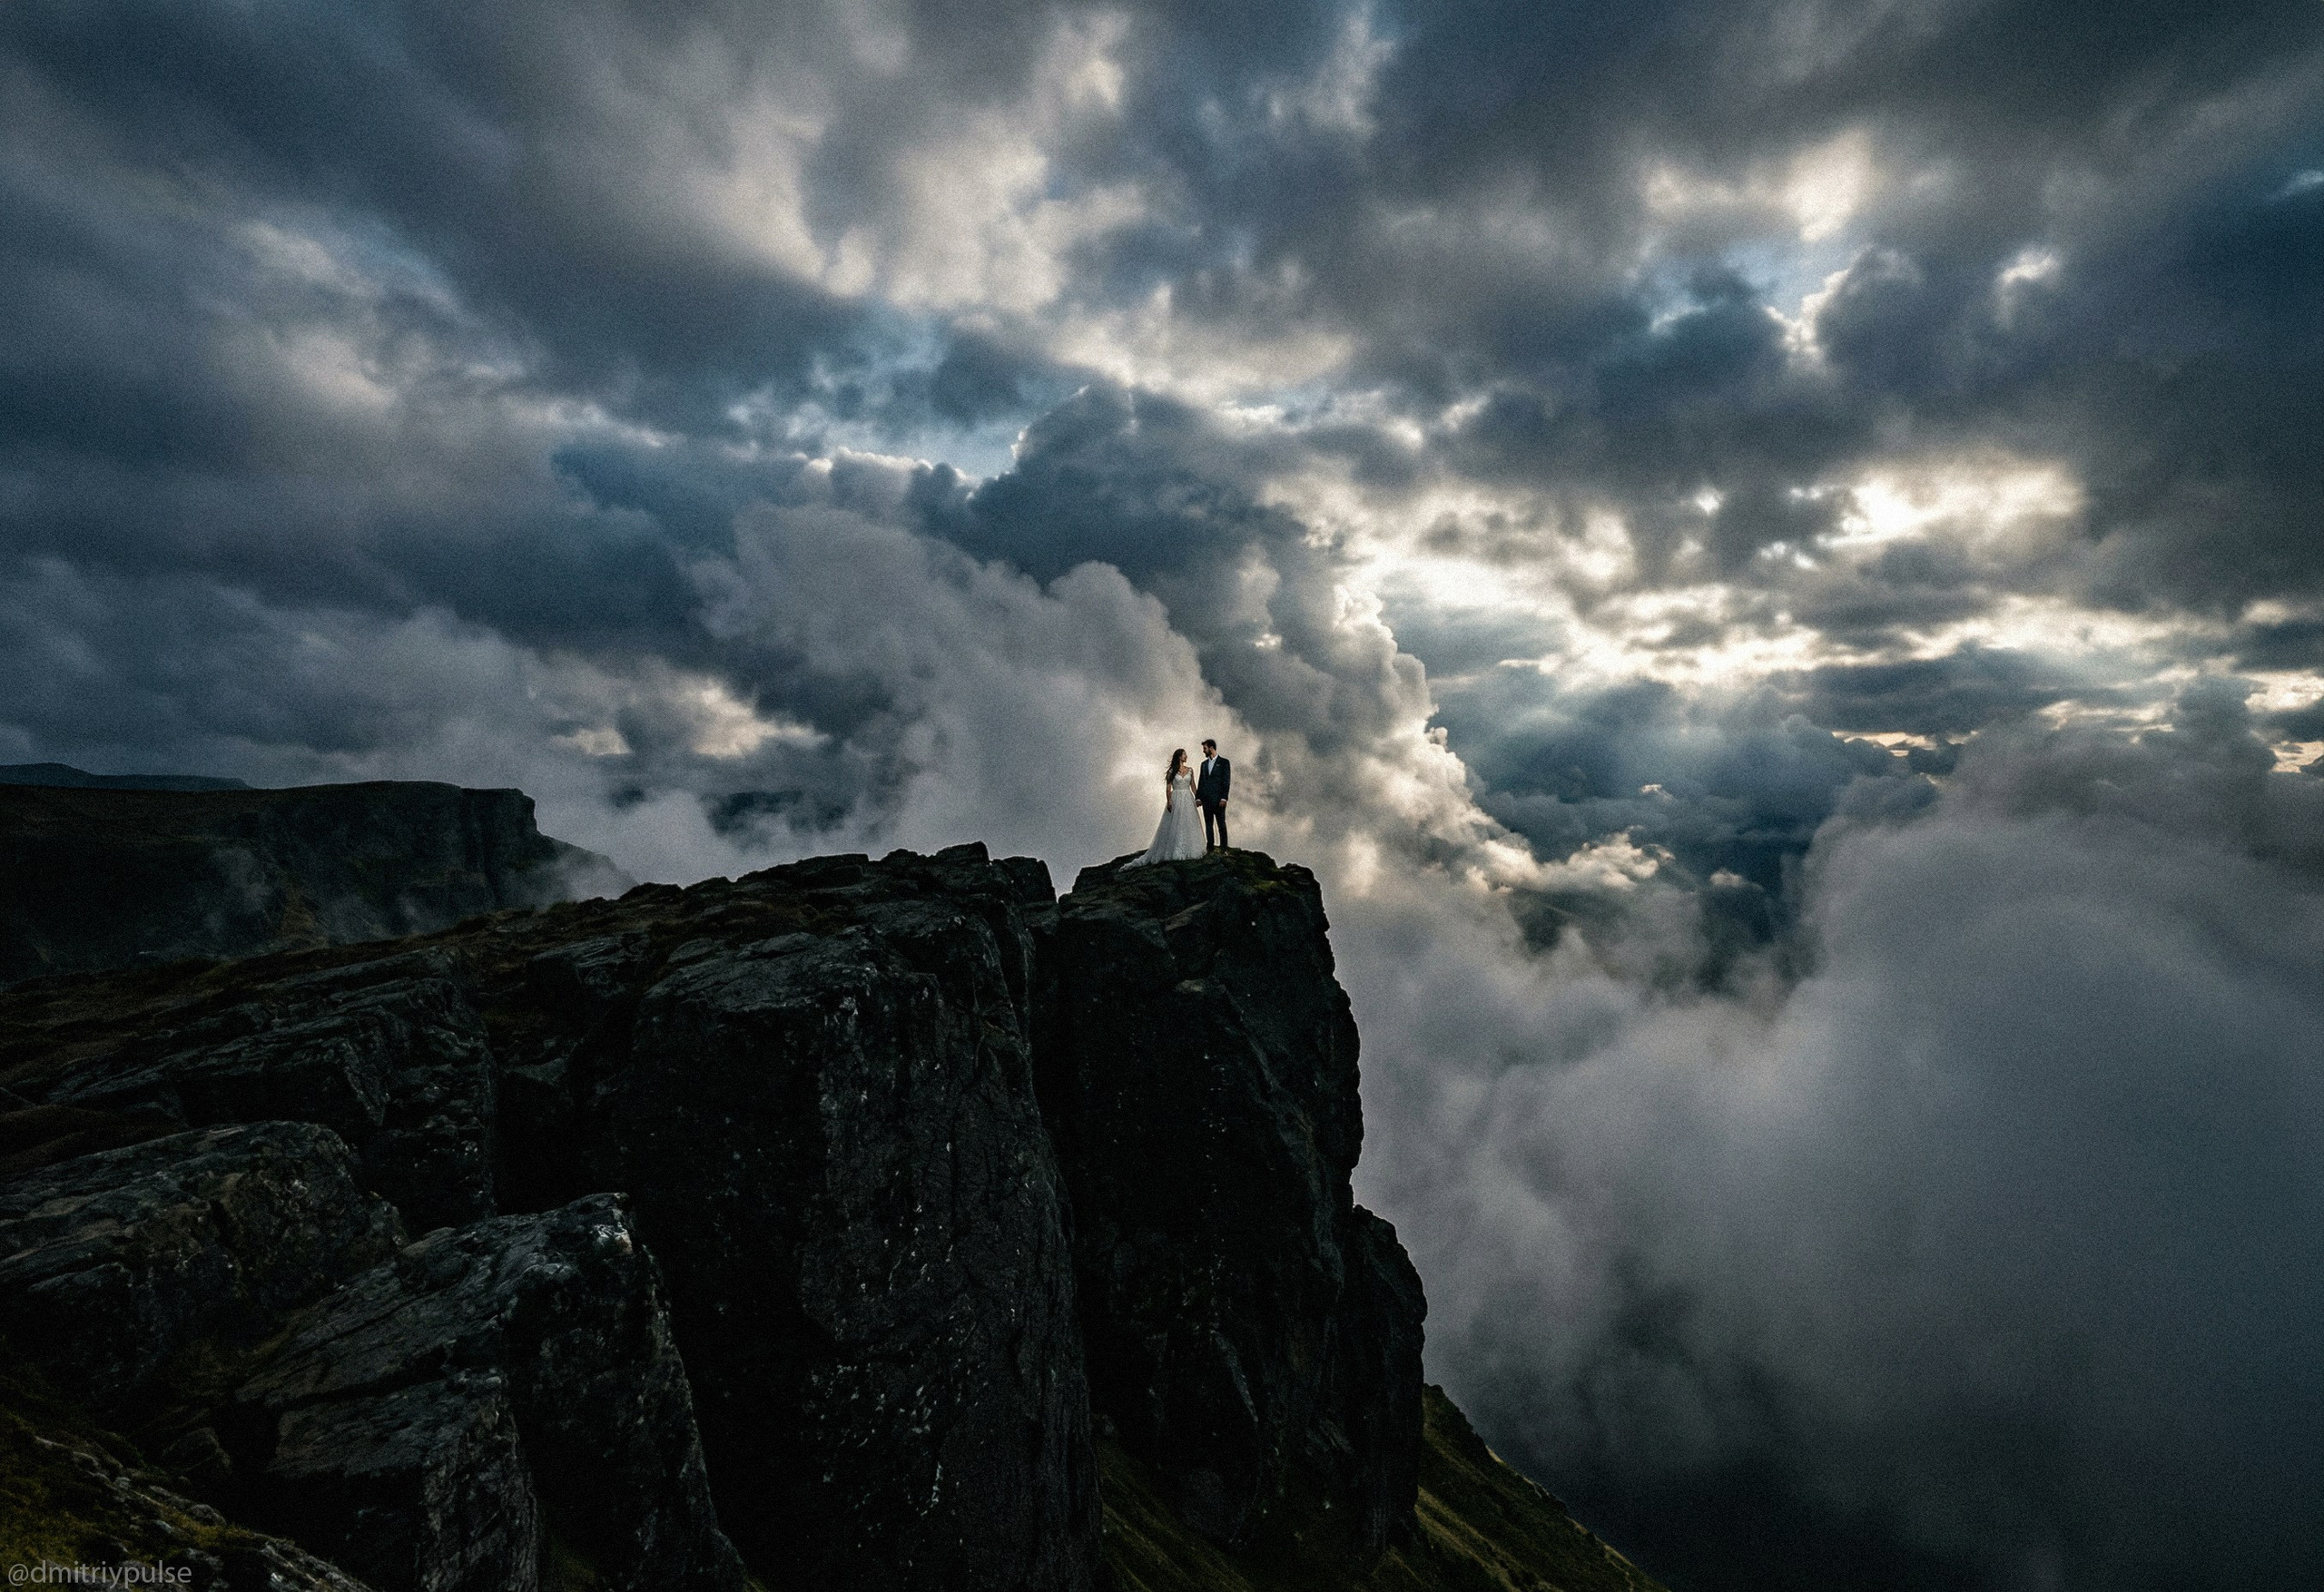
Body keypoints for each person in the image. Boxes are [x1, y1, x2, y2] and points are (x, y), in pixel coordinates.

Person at [1122, 747, 1206, 868]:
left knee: (1188, 821)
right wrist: (1169, 800)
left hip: (1187, 797)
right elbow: (1168, 788)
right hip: (1176, 796)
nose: (1186, 756)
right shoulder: (1171, 772)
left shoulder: (1190, 770)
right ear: (1179, 756)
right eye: (1184, 754)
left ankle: (1190, 847)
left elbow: (1193, 786)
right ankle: (1174, 848)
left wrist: (1198, 798)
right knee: (1174, 823)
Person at [1196, 738, 1230, 851]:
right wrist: (1198, 797)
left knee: (1221, 824)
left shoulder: (1224, 762)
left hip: (1219, 800)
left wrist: (1224, 798)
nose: (1203, 751)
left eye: (1205, 748)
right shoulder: (1204, 764)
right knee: (1208, 824)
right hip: (1206, 800)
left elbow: (1226, 781)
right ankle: (1210, 847)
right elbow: (1201, 781)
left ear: (1211, 748)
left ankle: (1224, 848)